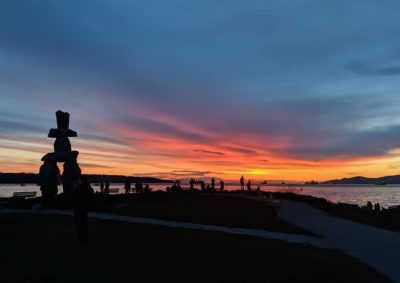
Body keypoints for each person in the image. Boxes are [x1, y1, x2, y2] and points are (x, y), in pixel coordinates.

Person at [73, 175, 94, 246]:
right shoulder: (89, 188)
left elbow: (75, 197)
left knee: (80, 225)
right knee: (83, 224)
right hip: (84, 207)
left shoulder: (80, 188)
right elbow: (91, 197)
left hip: (80, 207)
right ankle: (84, 239)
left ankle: (80, 240)